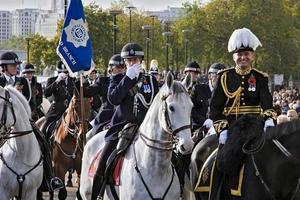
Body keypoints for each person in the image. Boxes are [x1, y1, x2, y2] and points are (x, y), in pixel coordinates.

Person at [209, 27, 277, 199]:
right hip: (232, 129)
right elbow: (215, 107)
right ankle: (216, 194)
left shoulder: (260, 78)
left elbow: (267, 103)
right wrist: (222, 129)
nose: (243, 58)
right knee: (224, 161)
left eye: (246, 54)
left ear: (253, 56)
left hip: (255, 127)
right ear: (234, 57)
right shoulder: (224, 77)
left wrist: (269, 120)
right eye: (239, 55)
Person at [91, 43, 159, 200]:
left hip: (146, 127)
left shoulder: (150, 80)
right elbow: (114, 99)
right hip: (122, 127)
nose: (132, 63)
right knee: (103, 164)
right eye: (128, 60)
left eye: (135, 60)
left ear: (141, 61)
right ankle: (97, 195)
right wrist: (128, 78)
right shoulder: (118, 79)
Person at [87, 54, 126, 135]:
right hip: (106, 117)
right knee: (88, 136)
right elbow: (89, 91)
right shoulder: (103, 81)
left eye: (122, 67)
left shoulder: (127, 81)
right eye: (118, 67)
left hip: (122, 117)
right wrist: (81, 80)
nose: (120, 70)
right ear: (111, 68)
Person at [41, 61, 75, 140]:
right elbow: (46, 93)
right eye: (61, 72)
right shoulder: (52, 80)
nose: (64, 74)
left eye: (66, 72)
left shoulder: (73, 80)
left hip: (70, 109)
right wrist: (57, 81)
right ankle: (43, 146)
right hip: (56, 109)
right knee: (44, 128)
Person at [184, 61, 212, 132]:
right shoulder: (179, 88)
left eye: (197, 74)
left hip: (197, 126)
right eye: (195, 73)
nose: (197, 75)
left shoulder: (199, 88)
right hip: (182, 125)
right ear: (187, 73)